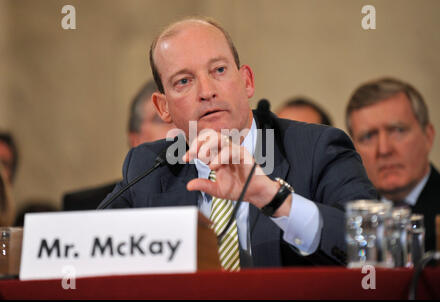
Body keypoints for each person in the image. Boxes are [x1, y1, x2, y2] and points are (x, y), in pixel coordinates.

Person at [101, 17, 376, 269]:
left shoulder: (318, 148)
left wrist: (272, 197)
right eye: (184, 81)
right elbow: (92, 250)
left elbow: (371, 246)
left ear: (246, 82)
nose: (207, 92)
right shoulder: (148, 168)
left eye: (219, 70)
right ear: (163, 108)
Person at [346, 77, 438, 252]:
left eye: (397, 131)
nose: (384, 149)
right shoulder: (343, 219)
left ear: (428, 136)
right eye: (368, 136)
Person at [63, 80, 174, 211]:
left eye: (178, 117)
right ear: (135, 140)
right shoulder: (85, 207)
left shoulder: (201, 193)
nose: (177, 126)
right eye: (160, 119)